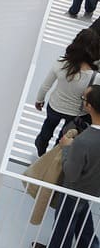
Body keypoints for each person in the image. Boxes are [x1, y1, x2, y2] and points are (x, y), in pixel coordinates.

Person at [33, 83, 100, 248]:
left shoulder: (83, 141)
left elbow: (71, 173)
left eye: (84, 99)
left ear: (89, 107)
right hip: (94, 188)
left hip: (75, 188)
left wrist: (66, 148)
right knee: (82, 210)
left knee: (64, 220)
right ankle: (91, 246)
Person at [33, 28, 100, 156]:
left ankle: (41, 147)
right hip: (76, 114)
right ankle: (55, 154)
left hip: (54, 106)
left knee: (48, 127)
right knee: (65, 135)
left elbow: (45, 86)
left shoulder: (61, 63)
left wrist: (39, 100)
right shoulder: (95, 77)